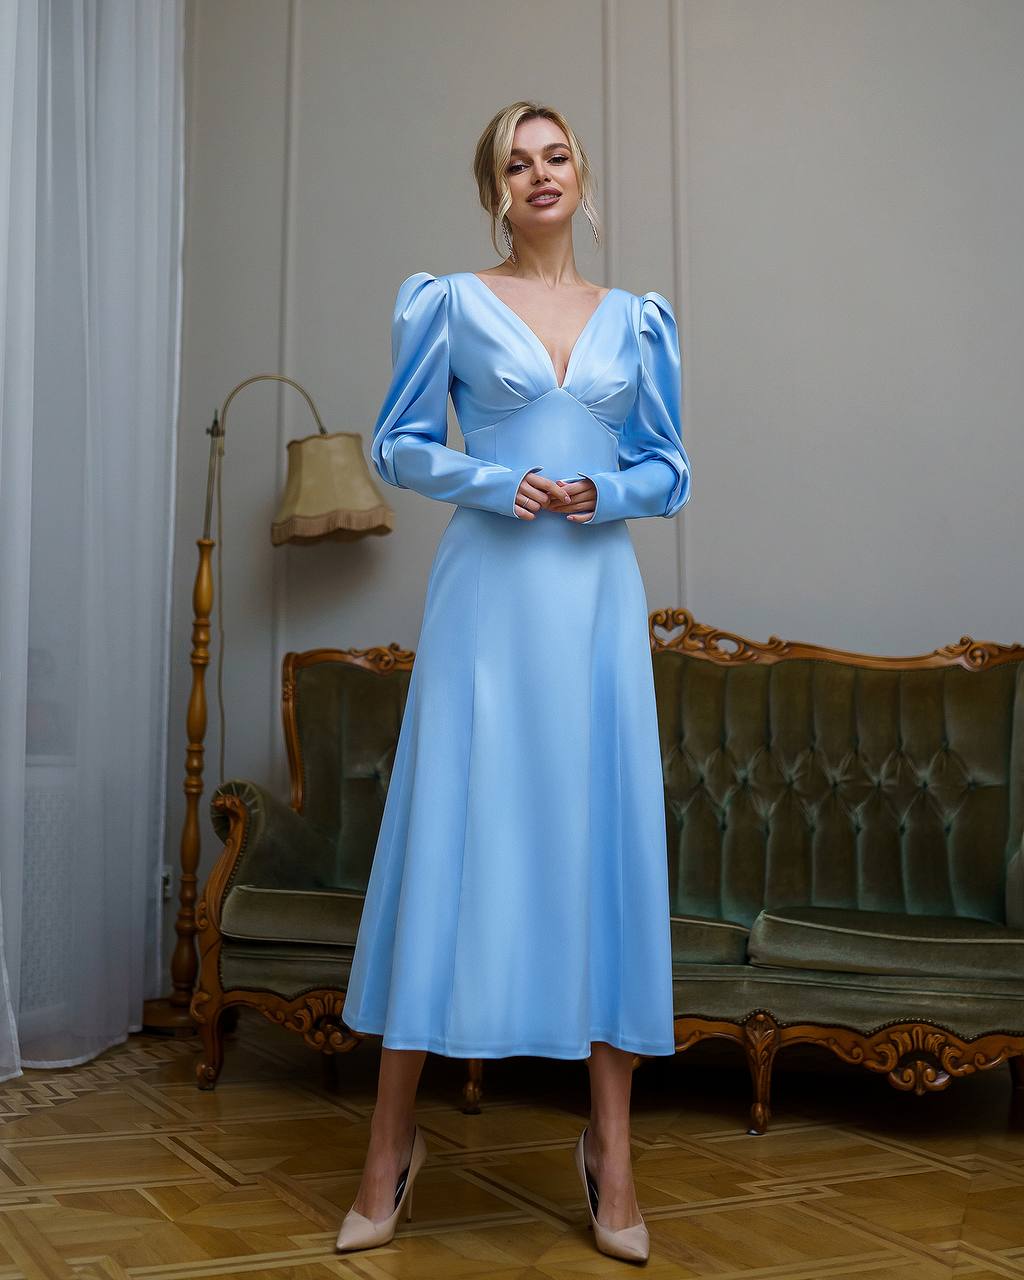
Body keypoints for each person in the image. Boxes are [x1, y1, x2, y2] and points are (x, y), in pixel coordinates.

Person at [336, 100, 692, 1264]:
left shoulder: (638, 319)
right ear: (493, 189)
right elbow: (394, 444)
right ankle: (388, 1148)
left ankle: (611, 1150)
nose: (539, 175)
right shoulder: (445, 299)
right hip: (486, 602)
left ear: (581, 175)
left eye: (557, 155)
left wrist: (608, 493)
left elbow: (669, 466)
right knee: (448, 838)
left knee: (599, 847)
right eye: (515, 162)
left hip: (592, 604)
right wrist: (493, 480)